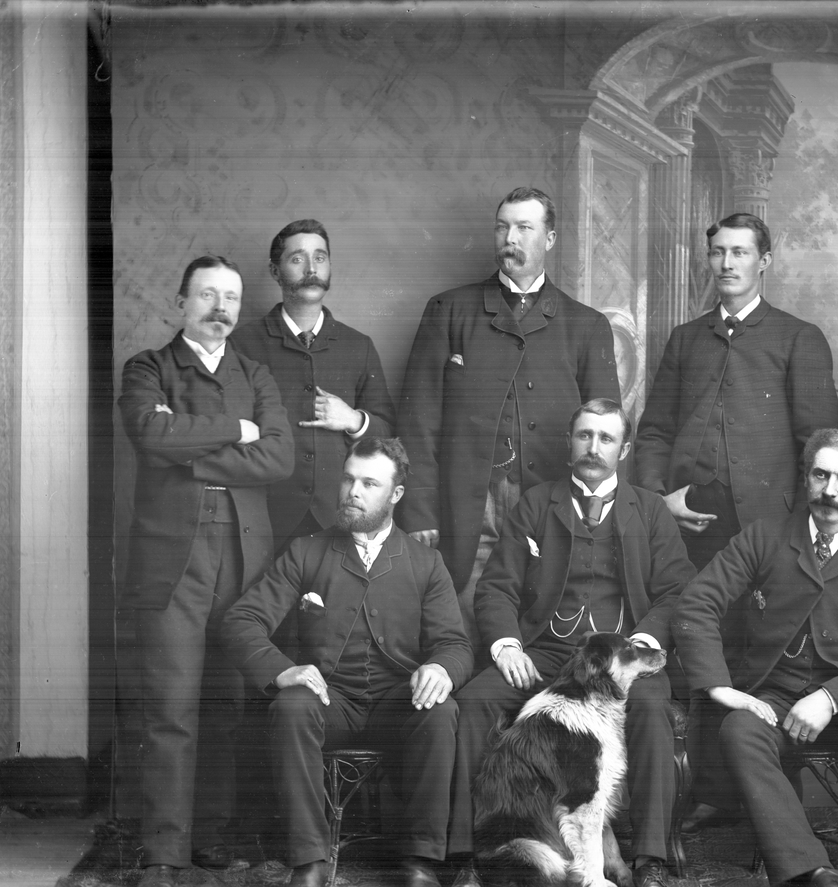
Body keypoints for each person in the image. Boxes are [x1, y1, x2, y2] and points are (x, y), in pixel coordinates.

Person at [450, 399, 697, 887]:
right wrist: (507, 645)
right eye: (585, 435)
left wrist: (641, 641)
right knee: (474, 700)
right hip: (544, 650)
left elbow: (677, 590)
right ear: (569, 442)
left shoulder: (649, 510)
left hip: (621, 655)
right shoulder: (536, 503)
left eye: (606, 438)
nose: (594, 447)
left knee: (651, 707)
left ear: (624, 449)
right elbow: (496, 587)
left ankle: (650, 858)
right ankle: (466, 854)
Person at [673, 429, 838, 887]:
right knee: (740, 731)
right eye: (821, 475)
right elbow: (696, 603)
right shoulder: (764, 537)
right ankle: (808, 867)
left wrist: (830, 698)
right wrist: (718, 685)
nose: (830, 490)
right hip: (775, 693)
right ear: (806, 476)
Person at [220, 437, 473, 887]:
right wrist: (281, 670)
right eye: (348, 479)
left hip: (399, 704)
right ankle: (309, 860)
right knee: (291, 705)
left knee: (442, 709)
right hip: (330, 702)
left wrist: (440, 669)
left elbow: (455, 644)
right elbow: (241, 621)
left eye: (369, 484)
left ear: (396, 494)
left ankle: (421, 861)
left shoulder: (426, 563)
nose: (353, 491)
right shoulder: (306, 551)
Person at [118, 256, 295, 887]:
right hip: (173, 558)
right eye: (207, 295)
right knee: (171, 708)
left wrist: (189, 454)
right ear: (181, 302)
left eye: (231, 298)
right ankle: (164, 853)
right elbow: (149, 433)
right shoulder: (148, 368)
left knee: (225, 704)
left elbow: (279, 458)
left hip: (243, 558)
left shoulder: (256, 373)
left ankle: (211, 837)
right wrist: (236, 430)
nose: (221, 308)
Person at [397, 187, 620, 642]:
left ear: (550, 238)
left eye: (523, 227)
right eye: (502, 227)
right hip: (467, 502)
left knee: (544, 622)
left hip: (552, 500)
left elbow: (605, 433)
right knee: (462, 624)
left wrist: (597, 509)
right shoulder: (448, 310)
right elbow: (418, 422)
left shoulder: (586, 325)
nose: (510, 238)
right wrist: (419, 510)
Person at [635, 212, 838, 571]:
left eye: (739, 253)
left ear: (764, 261)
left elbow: (820, 446)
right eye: (718, 252)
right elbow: (655, 432)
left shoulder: (798, 337)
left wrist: (801, 525)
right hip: (686, 520)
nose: (726, 264)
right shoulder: (685, 338)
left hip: (769, 524)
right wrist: (659, 500)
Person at [231, 218, 395, 551]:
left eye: (320, 257)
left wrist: (354, 420)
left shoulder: (358, 345)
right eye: (297, 258)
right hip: (265, 518)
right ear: (275, 271)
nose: (311, 268)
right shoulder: (242, 344)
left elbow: (388, 431)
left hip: (337, 517)